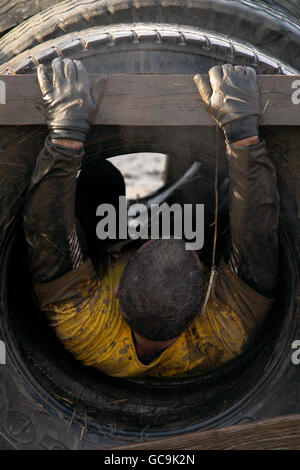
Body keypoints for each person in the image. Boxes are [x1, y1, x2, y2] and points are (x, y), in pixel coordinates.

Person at [23, 58, 279, 378]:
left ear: (116, 290)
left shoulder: (84, 325)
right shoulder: (225, 332)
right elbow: (258, 235)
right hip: (196, 229)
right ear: (202, 307)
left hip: (104, 239)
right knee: (207, 194)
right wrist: (243, 134)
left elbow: (47, 232)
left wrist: (65, 133)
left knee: (106, 180)